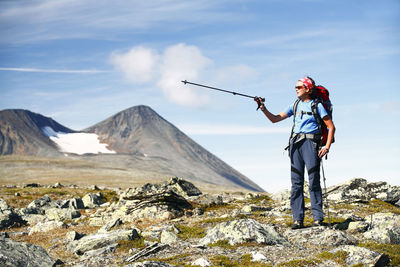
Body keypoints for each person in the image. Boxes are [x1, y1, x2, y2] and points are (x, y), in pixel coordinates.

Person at [255, 77, 335, 229]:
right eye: (296, 86)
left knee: (313, 182)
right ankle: (297, 219)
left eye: (299, 86)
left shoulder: (316, 105)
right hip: (295, 145)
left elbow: (331, 127)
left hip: (311, 144)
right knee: (296, 183)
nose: (296, 88)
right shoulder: (295, 104)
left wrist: (327, 146)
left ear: (308, 89)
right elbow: (275, 119)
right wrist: (263, 108)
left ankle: (318, 218)